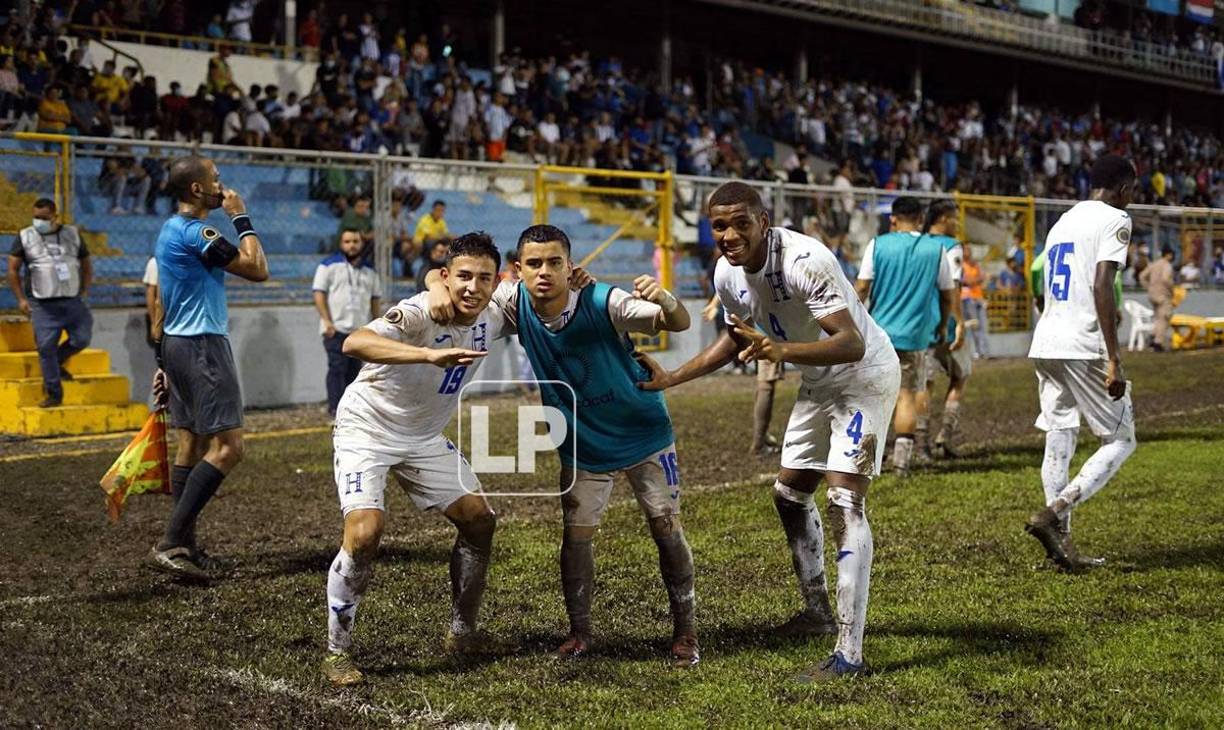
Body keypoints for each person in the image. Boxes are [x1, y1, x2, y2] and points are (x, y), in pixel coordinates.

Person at [637, 182, 900, 681]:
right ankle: (817, 612)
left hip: (864, 376)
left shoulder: (805, 260)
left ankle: (850, 653)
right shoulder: (726, 273)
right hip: (819, 380)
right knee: (788, 494)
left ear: (764, 220)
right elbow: (734, 337)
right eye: (719, 225)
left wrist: (782, 352)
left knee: (844, 502)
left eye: (741, 223)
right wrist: (673, 377)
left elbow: (850, 343)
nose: (730, 234)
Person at [425, 224, 699, 668]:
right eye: (534, 264)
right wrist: (435, 281)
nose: (545, 272)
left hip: (642, 433)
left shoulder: (602, 300)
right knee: (576, 539)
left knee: (666, 530)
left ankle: (686, 631)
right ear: (517, 271)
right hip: (581, 444)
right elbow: (461, 284)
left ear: (571, 267)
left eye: (555, 262)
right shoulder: (513, 303)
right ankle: (580, 632)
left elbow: (677, 321)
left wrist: (664, 298)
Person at [321, 233, 514, 687]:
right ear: (446, 278)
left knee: (479, 521)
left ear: (497, 281)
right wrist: (428, 354)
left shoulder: (498, 311)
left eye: (484, 278)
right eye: (462, 276)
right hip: (366, 428)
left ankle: (463, 633)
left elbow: (547, 291)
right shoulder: (419, 310)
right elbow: (355, 343)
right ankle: (336, 653)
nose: (473, 287)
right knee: (365, 533)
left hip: (424, 437)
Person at [149, 155, 269, 582]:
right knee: (230, 448)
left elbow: (162, 299)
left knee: (191, 444)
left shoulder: (167, 230)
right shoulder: (201, 232)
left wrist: (163, 360)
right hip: (202, 344)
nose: (222, 186)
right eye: (215, 180)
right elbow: (258, 269)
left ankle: (185, 547)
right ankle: (170, 541)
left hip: (177, 343)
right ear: (197, 190)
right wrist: (241, 217)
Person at [1025, 154, 1138, 572]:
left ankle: (1062, 548)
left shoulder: (1063, 221)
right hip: (1081, 342)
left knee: (1060, 437)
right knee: (1122, 439)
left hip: (1047, 340)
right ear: (1124, 188)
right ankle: (1055, 512)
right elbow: (1102, 283)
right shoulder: (1115, 219)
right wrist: (1114, 357)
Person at [854, 196, 956, 477]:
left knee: (873, 397)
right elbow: (948, 295)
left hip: (879, 336)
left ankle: (863, 460)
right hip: (915, 337)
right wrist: (943, 325)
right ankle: (901, 462)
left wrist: (852, 322)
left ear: (893, 219)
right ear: (921, 219)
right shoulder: (935, 250)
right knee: (908, 396)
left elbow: (862, 288)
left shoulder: (878, 245)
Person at [6, 198, 92, 408]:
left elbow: (86, 263)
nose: (39, 221)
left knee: (82, 339)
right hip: (42, 302)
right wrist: (21, 299)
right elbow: (12, 269)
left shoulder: (72, 233)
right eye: (36, 217)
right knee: (45, 347)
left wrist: (85, 290)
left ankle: (58, 361)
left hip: (72, 299)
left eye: (44, 218)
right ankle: (54, 393)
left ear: (55, 216)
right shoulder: (25, 236)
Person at [916, 200, 970, 460]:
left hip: (918, 323)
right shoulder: (951, 247)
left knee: (924, 384)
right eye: (953, 218)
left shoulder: (917, 244)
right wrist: (958, 322)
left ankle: (922, 444)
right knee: (959, 376)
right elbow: (954, 289)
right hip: (945, 323)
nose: (956, 223)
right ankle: (944, 437)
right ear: (941, 219)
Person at [313, 229, 383, 416]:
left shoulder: (370, 270)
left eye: (355, 241)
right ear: (341, 244)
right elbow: (319, 293)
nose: (351, 245)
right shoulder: (328, 265)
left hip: (359, 331)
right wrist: (326, 321)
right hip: (335, 329)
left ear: (361, 243)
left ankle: (350, 411)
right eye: (347, 241)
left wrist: (376, 324)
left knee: (355, 373)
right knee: (337, 369)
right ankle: (335, 409)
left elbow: (375, 299)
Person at [1139, 247, 1175, 351]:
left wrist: (1149, 287)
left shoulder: (1154, 264)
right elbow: (1165, 279)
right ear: (1168, 255)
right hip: (1163, 295)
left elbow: (1142, 276)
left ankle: (1153, 336)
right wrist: (1172, 290)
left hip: (1153, 295)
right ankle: (1158, 342)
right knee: (1164, 318)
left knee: (1158, 317)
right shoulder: (1167, 265)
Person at [960, 244, 989, 358]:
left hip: (978, 297)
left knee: (982, 325)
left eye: (969, 250)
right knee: (973, 325)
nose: (969, 252)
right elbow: (967, 282)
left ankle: (983, 351)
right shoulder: (961, 265)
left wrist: (976, 280)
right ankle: (976, 351)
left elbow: (982, 278)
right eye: (966, 250)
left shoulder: (975, 265)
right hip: (967, 299)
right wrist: (978, 279)